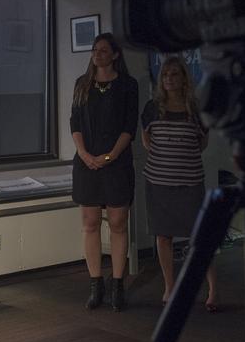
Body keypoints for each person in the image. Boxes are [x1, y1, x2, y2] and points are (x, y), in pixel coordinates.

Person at [140, 55, 217, 311]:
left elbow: (202, 142)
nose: (169, 79)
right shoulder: (152, 108)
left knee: (200, 236)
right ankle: (170, 286)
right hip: (159, 182)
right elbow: (147, 141)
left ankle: (213, 289)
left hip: (189, 183)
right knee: (164, 236)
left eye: (174, 74)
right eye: (165, 75)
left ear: (184, 77)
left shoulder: (196, 109)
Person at [70, 33, 139, 311]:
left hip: (117, 163)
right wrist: (86, 155)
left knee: (118, 223)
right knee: (89, 223)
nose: (97, 54)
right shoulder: (81, 85)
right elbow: (74, 124)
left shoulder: (127, 85)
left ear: (115, 55)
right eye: (94, 50)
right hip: (86, 163)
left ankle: (117, 284)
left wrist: (109, 156)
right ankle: (96, 283)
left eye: (103, 50)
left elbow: (129, 127)